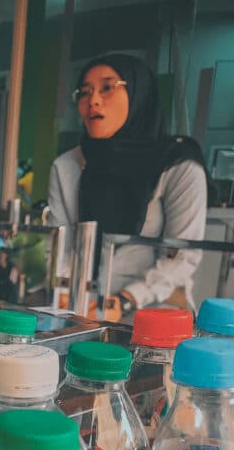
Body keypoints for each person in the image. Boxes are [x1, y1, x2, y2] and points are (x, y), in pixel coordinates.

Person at [48, 54, 207, 314]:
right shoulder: (67, 166)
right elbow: (61, 247)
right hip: (83, 307)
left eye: (107, 88)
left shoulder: (177, 165)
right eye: (85, 92)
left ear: (138, 95)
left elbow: (181, 257)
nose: (93, 100)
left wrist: (126, 299)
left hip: (152, 310)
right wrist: (66, 294)